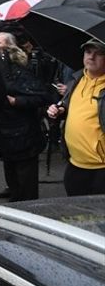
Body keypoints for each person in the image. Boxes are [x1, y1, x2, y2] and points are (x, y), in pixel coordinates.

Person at [0, 44, 58, 201]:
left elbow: (42, 97)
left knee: (26, 184)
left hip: (24, 137)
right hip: (5, 136)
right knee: (12, 177)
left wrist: (16, 101)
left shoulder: (21, 73)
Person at [46, 39, 105, 196]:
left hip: (100, 169)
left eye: (99, 53)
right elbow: (69, 106)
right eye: (88, 52)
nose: (91, 57)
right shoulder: (77, 79)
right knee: (75, 215)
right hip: (74, 164)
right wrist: (60, 110)